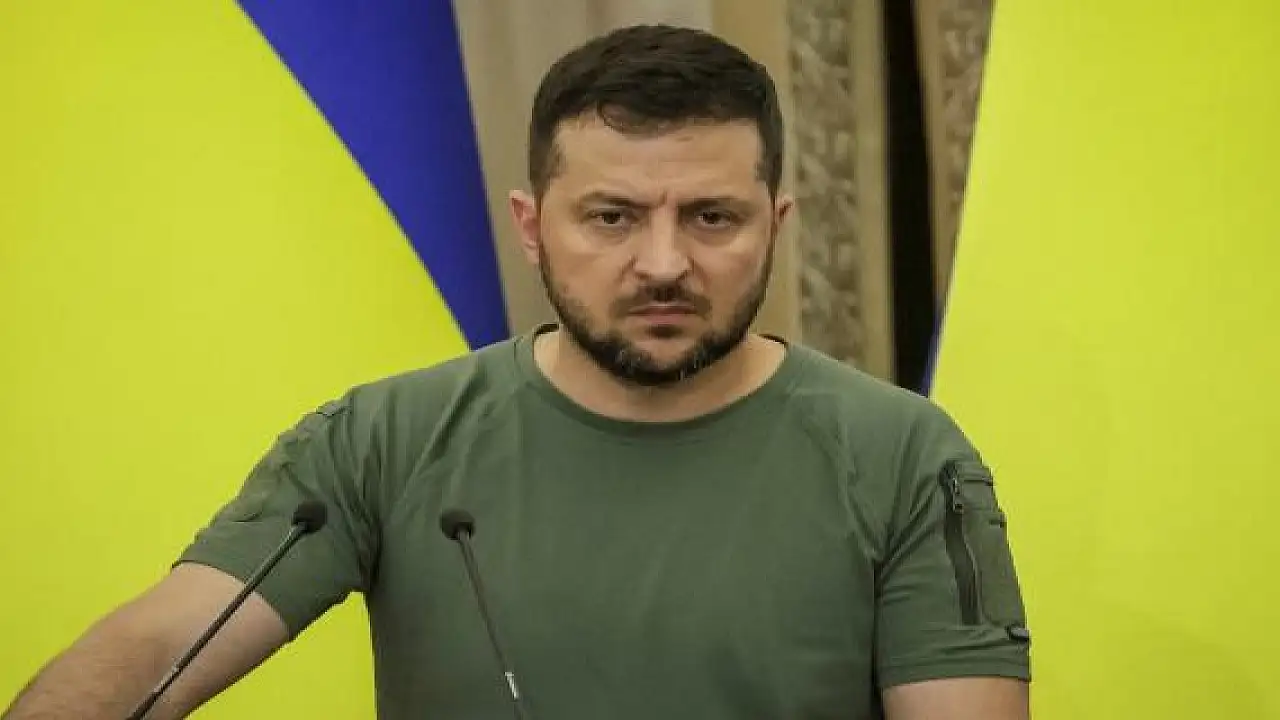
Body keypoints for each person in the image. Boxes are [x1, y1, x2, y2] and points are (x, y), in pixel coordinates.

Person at [4, 24, 1031, 720]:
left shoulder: (903, 455)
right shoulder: (382, 441)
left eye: (711, 217)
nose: (663, 263)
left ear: (777, 225)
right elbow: (160, 644)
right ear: (532, 228)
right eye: (611, 217)